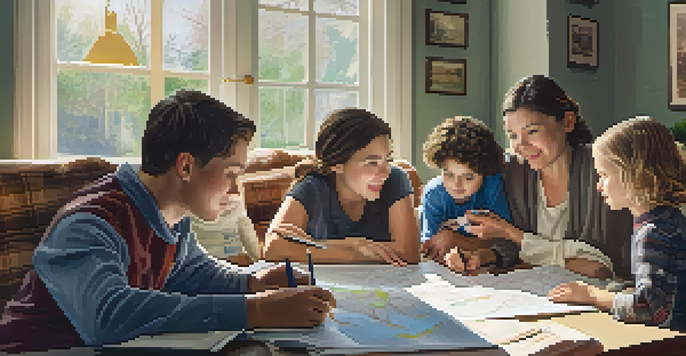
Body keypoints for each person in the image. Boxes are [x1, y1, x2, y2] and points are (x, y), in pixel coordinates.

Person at [0, 90, 335, 353]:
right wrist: (256, 310)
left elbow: (194, 273)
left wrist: (253, 282)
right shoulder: (89, 223)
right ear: (186, 166)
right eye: (231, 172)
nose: (236, 190)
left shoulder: (171, 215)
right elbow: (107, 316)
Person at [422, 75, 635, 280]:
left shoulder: (604, 171)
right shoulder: (508, 171)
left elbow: (600, 268)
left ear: (568, 122)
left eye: (532, 131)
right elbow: (506, 250)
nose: (520, 145)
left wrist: (514, 235)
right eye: (513, 135)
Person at [548, 117, 686, 332]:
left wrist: (592, 295)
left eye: (604, 175)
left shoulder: (652, 234)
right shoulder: (671, 218)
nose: (599, 185)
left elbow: (649, 310)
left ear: (636, 176)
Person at [263, 108, 420, 266]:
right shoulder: (313, 186)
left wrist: (317, 246)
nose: (385, 172)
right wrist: (353, 247)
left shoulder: (395, 179)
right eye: (372, 163)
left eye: (388, 159)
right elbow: (273, 248)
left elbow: (408, 253)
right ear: (337, 165)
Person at [419, 116, 515, 273]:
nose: (456, 185)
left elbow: (508, 243)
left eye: (468, 177)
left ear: (484, 172)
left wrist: (454, 239)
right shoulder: (433, 195)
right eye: (448, 174)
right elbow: (433, 250)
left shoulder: (493, 186)